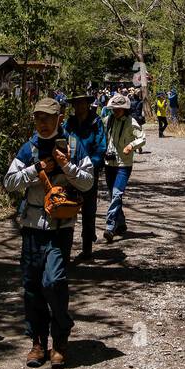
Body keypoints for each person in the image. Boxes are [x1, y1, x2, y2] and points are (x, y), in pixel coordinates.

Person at [4, 96, 93, 368]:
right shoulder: (28, 148)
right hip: (32, 225)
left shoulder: (74, 146)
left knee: (53, 282)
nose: (42, 123)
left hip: (60, 227)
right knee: (32, 287)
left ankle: (61, 338)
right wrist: (36, 169)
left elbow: (88, 183)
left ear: (59, 118)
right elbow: (9, 183)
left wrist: (66, 165)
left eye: (47, 117)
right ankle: (38, 343)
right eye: (38, 118)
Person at [63, 90, 107, 261]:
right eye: (76, 103)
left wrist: (92, 166)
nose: (79, 106)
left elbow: (101, 146)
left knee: (89, 210)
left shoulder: (96, 122)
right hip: (70, 171)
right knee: (67, 207)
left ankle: (87, 248)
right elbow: (63, 140)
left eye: (82, 103)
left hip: (89, 172)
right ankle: (64, 249)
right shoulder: (70, 123)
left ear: (88, 104)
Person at [101, 92, 145, 242]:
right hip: (109, 163)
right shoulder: (107, 121)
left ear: (125, 109)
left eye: (118, 108)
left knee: (117, 194)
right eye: (114, 108)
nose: (115, 111)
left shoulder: (131, 123)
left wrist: (131, 145)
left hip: (124, 164)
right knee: (112, 194)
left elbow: (142, 138)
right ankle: (121, 223)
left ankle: (110, 227)